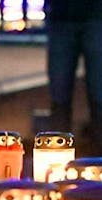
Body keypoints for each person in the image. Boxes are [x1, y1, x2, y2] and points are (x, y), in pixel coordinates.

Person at [46, 0, 102, 151]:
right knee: (59, 96)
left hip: (94, 16)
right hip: (62, 16)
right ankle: (56, 160)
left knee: (98, 97)